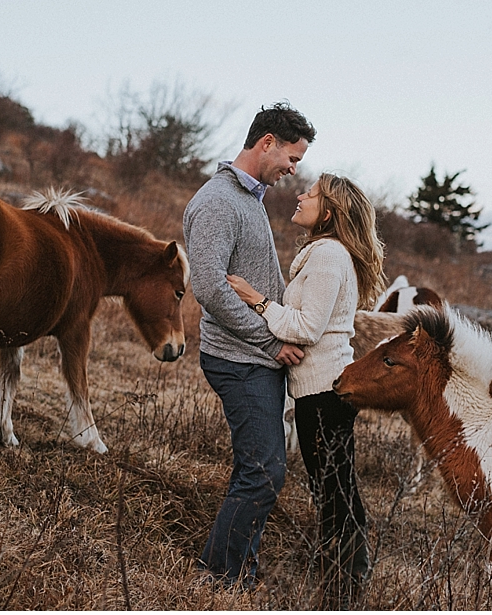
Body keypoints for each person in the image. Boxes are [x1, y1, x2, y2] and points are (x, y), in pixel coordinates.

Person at [227, 173, 387, 607]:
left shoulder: (329, 256)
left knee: (334, 490)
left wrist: (255, 299)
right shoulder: (326, 253)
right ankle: (344, 580)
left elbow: (306, 327)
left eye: (311, 194)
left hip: (324, 394)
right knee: (334, 487)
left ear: (329, 211)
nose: (300, 195)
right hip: (321, 392)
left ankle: (345, 587)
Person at [182, 102, 316, 587]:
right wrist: (270, 340)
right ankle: (217, 577)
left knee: (261, 469)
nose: (293, 170)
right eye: (292, 158)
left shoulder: (249, 197)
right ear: (267, 143)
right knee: (262, 471)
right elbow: (210, 288)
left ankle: (238, 573)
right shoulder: (219, 201)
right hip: (239, 359)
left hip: (256, 357)